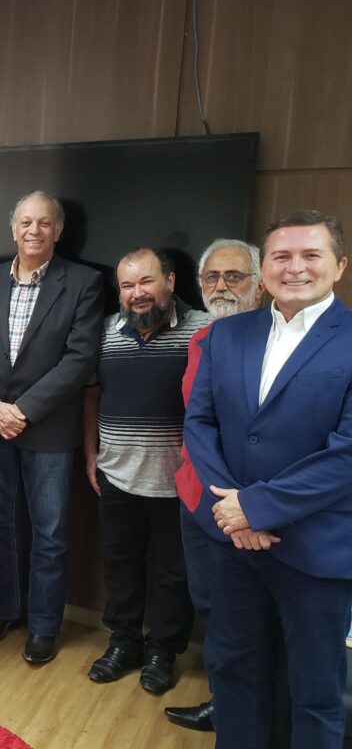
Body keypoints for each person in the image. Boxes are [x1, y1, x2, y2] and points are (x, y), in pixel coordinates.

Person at [186, 211, 352, 748]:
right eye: (281, 256)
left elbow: (347, 453)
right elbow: (199, 424)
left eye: (311, 255)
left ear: (339, 266)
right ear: (265, 270)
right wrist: (234, 514)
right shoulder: (225, 335)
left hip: (316, 547)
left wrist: (256, 508)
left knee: (316, 691)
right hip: (232, 545)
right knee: (234, 673)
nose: (294, 268)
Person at [0, 191, 103, 664]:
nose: (34, 231)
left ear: (58, 230)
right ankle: (5, 609)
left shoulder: (83, 282)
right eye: (26, 222)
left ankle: (44, 625)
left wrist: (23, 410)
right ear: (13, 229)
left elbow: (80, 359)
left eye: (44, 223)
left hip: (48, 429)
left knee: (50, 532)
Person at [83, 248, 209, 694]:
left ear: (170, 282)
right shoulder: (104, 332)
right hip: (117, 474)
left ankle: (162, 652)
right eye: (127, 285)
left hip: (178, 481)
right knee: (120, 566)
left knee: (174, 573)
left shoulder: (202, 329)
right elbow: (91, 396)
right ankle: (123, 643)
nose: (137, 293)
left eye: (146, 282)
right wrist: (90, 454)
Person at [164, 239, 264, 732]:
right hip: (197, 497)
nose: (221, 286)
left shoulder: (274, 340)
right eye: (212, 277)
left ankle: (242, 714)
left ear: (259, 285)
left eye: (234, 276)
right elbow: (197, 421)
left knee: (243, 617)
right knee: (209, 605)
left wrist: (242, 503)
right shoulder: (201, 338)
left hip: (247, 505)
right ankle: (225, 705)